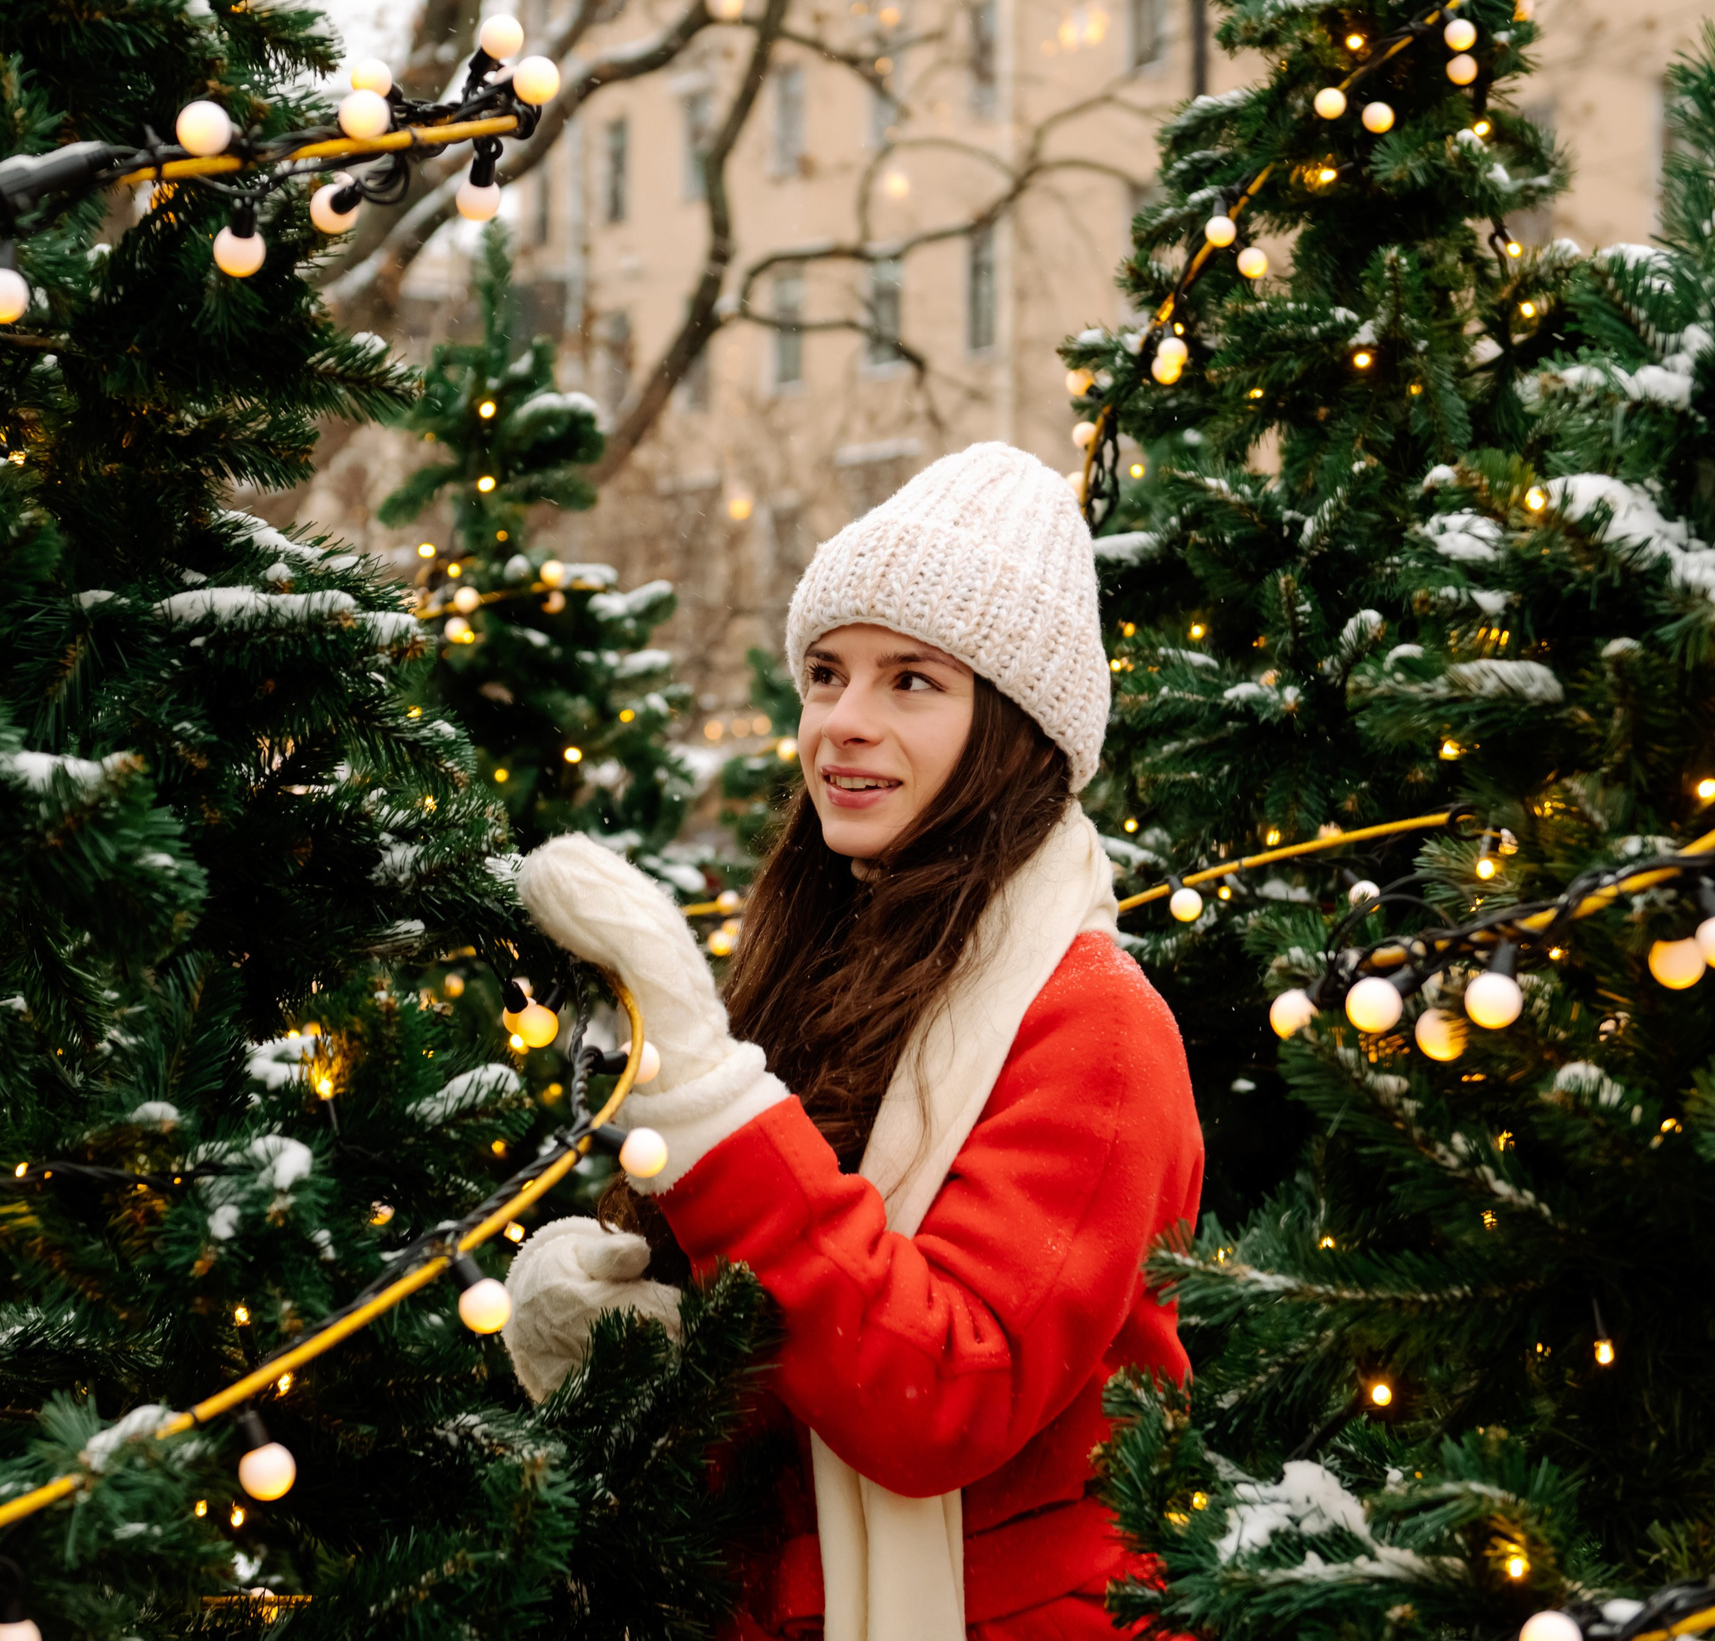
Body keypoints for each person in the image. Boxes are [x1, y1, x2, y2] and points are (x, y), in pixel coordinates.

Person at [503, 442, 1203, 1641]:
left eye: (910, 682)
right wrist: (628, 1340)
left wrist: (711, 1097)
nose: (843, 722)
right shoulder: (818, 970)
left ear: (1015, 726)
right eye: (825, 673)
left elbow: (937, 1398)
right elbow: (797, 1372)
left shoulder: (1098, 1026)